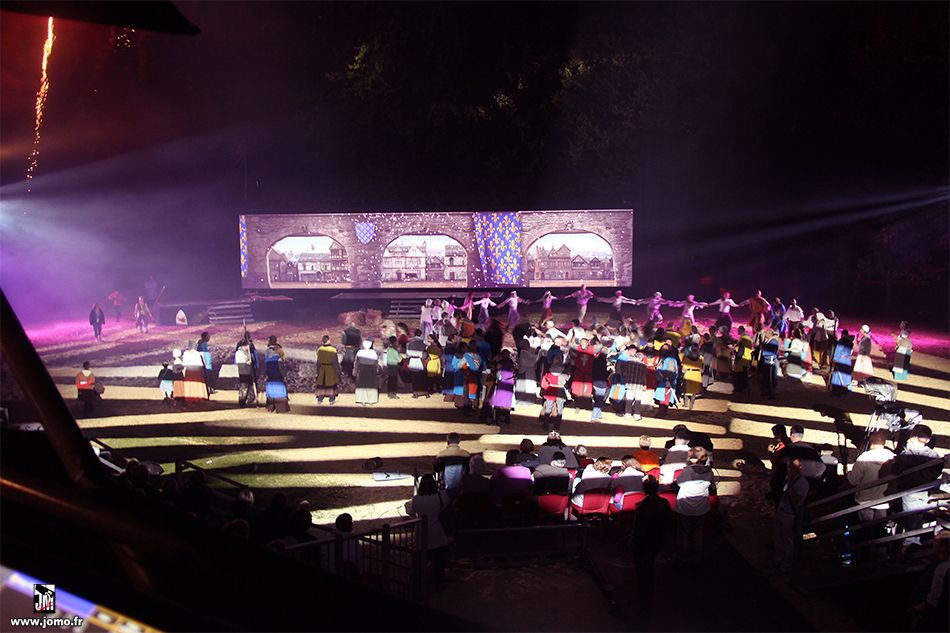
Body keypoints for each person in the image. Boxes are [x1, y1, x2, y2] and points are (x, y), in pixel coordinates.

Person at [887, 425, 942, 550]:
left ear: (914, 437)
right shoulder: (934, 455)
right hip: (924, 491)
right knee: (918, 518)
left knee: (911, 520)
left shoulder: (906, 455)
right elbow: (935, 472)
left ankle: (909, 545)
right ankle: (914, 542)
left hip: (909, 492)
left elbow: (895, 471)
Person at [630, 475, 672, 620]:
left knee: (643, 569)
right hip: (658, 540)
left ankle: (645, 599)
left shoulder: (643, 506)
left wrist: (632, 540)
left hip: (643, 541)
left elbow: (638, 527)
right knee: (649, 564)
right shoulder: (664, 502)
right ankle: (648, 591)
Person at [405, 474, 451, 583]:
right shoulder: (440, 496)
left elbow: (409, 510)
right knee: (439, 560)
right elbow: (448, 503)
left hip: (422, 533)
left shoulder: (416, 499)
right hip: (438, 532)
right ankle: (438, 581)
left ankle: (418, 582)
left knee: (420, 561)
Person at [847, 430, 894, 536]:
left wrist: (849, 473)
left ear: (871, 442)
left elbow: (853, 481)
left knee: (865, 532)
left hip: (865, 500)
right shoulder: (892, 457)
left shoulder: (864, 458)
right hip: (883, 501)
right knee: (879, 532)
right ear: (884, 442)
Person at [674, 446, 716, 563]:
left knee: (683, 533)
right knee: (697, 532)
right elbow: (712, 487)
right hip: (701, 506)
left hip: (685, 506)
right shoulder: (710, 472)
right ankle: (696, 557)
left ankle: (681, 557)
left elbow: (680, 483)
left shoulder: (688, 471)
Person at [773, 458, 809, 573]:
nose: (790, 470)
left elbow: (796, 500)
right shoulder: (787, 478)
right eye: (789, 467)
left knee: (787, 540)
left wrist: (791, 485)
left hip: (790, 514)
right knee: (778, 537)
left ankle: (786, 566)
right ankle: (778, 561)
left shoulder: (802, 483)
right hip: (781, 510)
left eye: (793, 468)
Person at [615, 345, 647, 419]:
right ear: (641, 358)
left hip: (629, 384)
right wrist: (645, 384)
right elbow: (644, 376)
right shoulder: (643, 366)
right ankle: (636, 415)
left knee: (629, 400)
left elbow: (624, 373)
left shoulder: (628, 363)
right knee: (637, 401)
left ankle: (627, 414)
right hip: (638, 385)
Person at [540, 358, 568, 431]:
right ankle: (557, 426)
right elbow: (567, 378)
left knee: (548, 408)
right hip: (560, 390)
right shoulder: (564, 372)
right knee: (560, 409)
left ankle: (545, 425)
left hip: (551, 390)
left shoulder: (549, 372)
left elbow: (546, 379)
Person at [569, 337, 595, 410]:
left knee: (587, 390)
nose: (583, 344)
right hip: (579, 373)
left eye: (584, 342)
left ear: (588, 343)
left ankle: (587, 405)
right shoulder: (577, 350)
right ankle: (577, 405)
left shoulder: (591, 350)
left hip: (588, 374)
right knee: (577, 390)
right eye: (582, 342)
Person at [490, 351, 516, 425]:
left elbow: (497, 369)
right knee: (507, 400)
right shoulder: (510, 361)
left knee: (499, 400)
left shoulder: (502, 362)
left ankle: (497, 418)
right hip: (510, 381)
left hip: (503, 382)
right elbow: (513, 369)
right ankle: (506, 418)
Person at [653, 344, 679, 414]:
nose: (664, 350)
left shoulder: (671, 359)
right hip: (661, 380)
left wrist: (666, 378)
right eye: (663, 348)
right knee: (661, 396)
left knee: (665, 396)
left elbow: (670, 371)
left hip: (667, 381)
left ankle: (663, 412)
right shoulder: (662, 358)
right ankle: (662, 411)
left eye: (666, 349)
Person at [514, 338, 540, 407]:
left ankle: (523, 399)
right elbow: (532, 361)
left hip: (526, 371)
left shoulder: (522, 352)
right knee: (525, 385)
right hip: (526, 371)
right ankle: (525, 400)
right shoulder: (525, 352)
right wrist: (537, 353)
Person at [315, 335, 341, 404]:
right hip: (330, 370)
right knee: (331, 385)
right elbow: (335, 362)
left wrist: (317, 372)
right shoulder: (333, 350)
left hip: (322, 369)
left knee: (322, 384)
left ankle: (320, 399)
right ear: (328, 340)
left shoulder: (320, 350)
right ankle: (331, 400)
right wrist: (338, 371)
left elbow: (318, 362)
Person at [235, 334, 258, 407]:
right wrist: (247, 361)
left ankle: (249, 399)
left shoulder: (247, 351)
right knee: (244, 385)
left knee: (249, 384)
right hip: (244, 369)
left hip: (247, 369)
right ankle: (242, 400)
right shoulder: (239, 352)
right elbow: (240, 360)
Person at [354, 339, 379, 405]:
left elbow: (356, 362)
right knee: (371, 385)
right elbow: (376, 363)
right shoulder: (373, 352)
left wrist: (355, 370)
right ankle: (371, 400)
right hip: (371, 369)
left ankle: (362, 400)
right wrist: (377, 370)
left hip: (362, 369)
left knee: (362, 384)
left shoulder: (360, 352)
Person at [829, 330, 854, 396]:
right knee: (844, 376)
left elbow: (838, 350)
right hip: (847, 360)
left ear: (842, 334)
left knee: (838, 375)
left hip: (841, 359)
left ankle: (836, 391)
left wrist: (835, 359)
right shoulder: (850, 343)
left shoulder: (841, 341)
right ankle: (843, 390)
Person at [758, 328, 780, 399]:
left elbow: (771, 352)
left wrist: (763, 350)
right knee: (766, 377)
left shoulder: (773, 342)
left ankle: (771, 393)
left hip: (770, 361)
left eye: (766, 333)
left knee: (770, 378)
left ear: (770, 334)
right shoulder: (769, 341)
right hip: (767, 361)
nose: (765, 335)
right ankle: (767, 391)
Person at [681, 340, 704, 410]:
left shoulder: (686, 357)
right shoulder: (701, 358)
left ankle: (686, 403)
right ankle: (691, 404)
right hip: (697, 375)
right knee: (694, 391)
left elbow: (683, 367)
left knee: (686, 390)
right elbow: (702, 368)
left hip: (688, 374)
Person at [406, 330, 428, 398]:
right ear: (420, 334)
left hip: (413, 361)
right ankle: (424, 392)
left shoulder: (410, 343)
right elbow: (424, 355)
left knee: (414, 378)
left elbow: (408, 354)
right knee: (422, 377)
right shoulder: (423, 344)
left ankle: (415, 393)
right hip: (420, 361)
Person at [733, 326, 754, 395]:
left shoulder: (743, 339)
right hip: (747, 359)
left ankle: (739, 389)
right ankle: (744, 387)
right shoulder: (749, 338)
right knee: (744, 375)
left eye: (738, 330)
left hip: (741, 360)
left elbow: (741, 350)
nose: (737, 332)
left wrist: (736, 358)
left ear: (741, 330)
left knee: (739, 375)